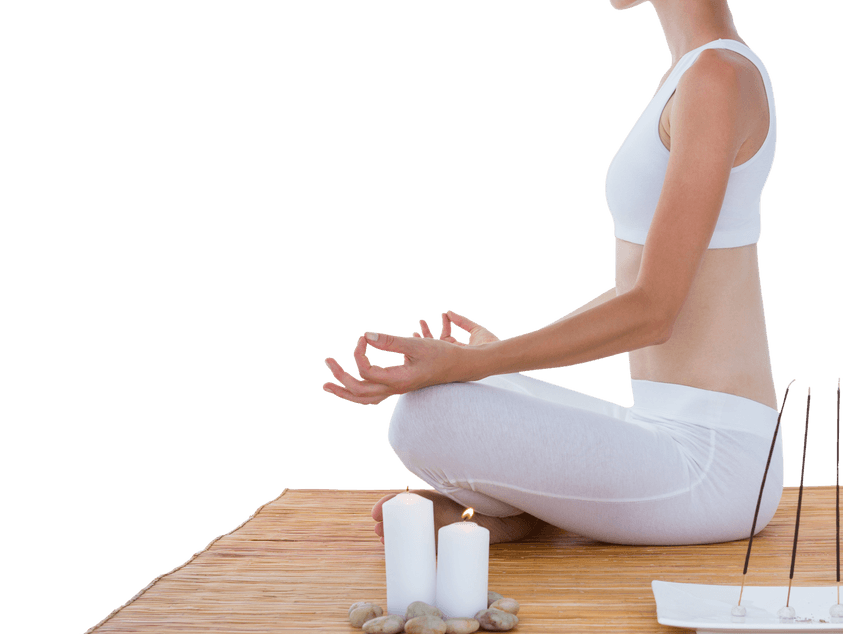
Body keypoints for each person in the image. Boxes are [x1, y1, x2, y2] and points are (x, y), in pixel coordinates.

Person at [322, 0, 784, 547]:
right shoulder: (696, 72)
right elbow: (639, 292)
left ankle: (532, 510)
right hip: (664, 429)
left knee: (427, 417)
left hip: (718, 461)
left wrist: (480, 362)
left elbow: (654, 311)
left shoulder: (718, 78)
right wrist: (495, 364)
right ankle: (531, 513)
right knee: (455, 395)